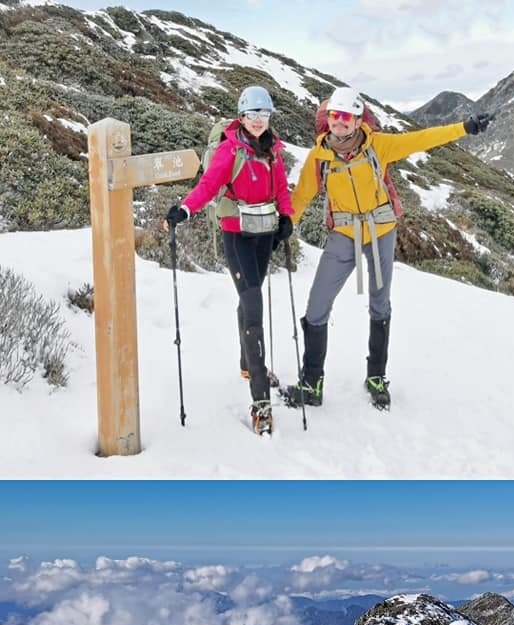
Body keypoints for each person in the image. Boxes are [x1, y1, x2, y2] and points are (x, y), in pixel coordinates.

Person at [282, 87, 493, 412]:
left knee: (380, 304)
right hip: (343, 234)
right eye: (334, 116)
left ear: (357, 120)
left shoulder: (378, 146)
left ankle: (376, 377)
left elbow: (422, 138)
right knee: (316, 307)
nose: (339, 123)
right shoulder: (318, 157)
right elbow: (300, 198)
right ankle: (312, 382)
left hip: (381, 231)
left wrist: (464, 127)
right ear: (328, 120)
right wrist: (286, 224)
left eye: (346, 117)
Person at [164, 85, 294, 436]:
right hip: (236, 232)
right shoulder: (228, 150)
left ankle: (246, 363)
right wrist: (185, 209)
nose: (258, 121)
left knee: (249, 298)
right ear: (241, 116)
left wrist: (287, 216)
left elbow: (281, 188)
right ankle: (261, 402)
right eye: (252, 115)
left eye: (264, 115)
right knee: (253, 303)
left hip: (264, 231)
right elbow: (208, 186)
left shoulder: (273, 151)